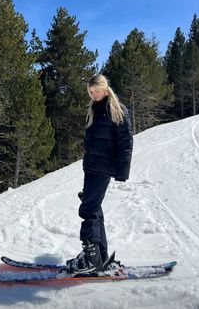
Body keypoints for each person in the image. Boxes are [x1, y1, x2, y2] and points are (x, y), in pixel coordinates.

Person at [66, 74, 133, 274]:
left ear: (105, 88)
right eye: (91, 92)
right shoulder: (94, 109)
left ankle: (91, 260)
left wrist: (122, 171)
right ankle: (101, 257)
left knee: (88, 209)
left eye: (97, 90)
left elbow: (125, 143)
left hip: (103, 167)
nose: (94, 95)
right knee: (93, 208)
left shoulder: (117, 110)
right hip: (92, 166)